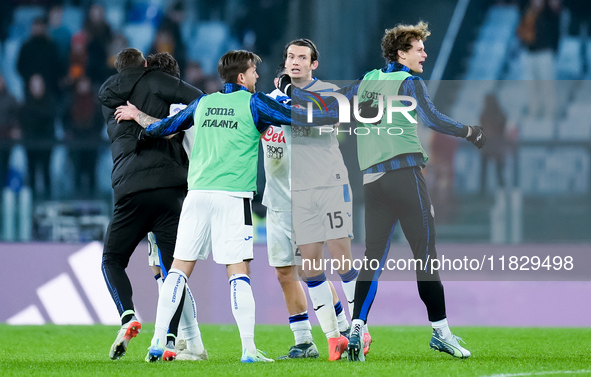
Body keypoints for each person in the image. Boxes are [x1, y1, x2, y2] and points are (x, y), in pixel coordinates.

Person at [114, 50, 320, 363]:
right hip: (233, 197)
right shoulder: (255, 102)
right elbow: (302, 117)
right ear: (241, 77)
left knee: (179, 270)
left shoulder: (203, 103)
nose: (256, 77)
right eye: (253, 72)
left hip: (196, 196)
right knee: (238, 273)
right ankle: (249, 350)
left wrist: (138, 117)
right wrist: (292, 91)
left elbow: (165, 128)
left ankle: (157, 342)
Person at [339, 21, 486, 361]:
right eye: (419, 49)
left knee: (372, 261)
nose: (425, 54)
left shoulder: (368, 80)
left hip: (372, 182)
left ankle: (357, 327)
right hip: (404, 177)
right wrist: (469, 131)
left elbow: (330, 103)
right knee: (425, 255)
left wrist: (291, 92)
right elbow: (432, 119)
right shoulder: (409, 81)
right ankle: (441, 333)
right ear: (402, 54)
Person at [98, 48, 203, 361]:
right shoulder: (171, 99)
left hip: (129, 189)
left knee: (113, 259)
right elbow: (197, 103)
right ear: (146, 69)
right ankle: (174, 340)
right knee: (173, 272)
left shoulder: (108, 99)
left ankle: (129, 316)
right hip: (174, 190)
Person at [269, 39, 360, 362]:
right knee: (310, 268)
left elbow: (322, 117)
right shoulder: (274, 97)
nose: (295, 61)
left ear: (313, 64)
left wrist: (288, 95)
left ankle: (358, 329)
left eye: (302, 57)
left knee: (342, 259)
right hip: (300, 190)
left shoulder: (328, 91)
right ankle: (334, 338)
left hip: (331, 183)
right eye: (290, 56)